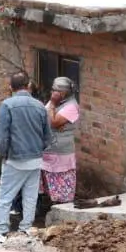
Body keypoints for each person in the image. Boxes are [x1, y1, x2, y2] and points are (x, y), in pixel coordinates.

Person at [0, 72, 51, 245]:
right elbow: (47, 137)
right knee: (30, 195)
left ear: (11, 87)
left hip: (15, 159)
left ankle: (2, 232)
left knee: (5, 197)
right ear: (28, 85)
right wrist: (37, 150)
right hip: (35, 159)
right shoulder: (40, 106)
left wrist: (4, 155)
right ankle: (26, 228)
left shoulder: (7, 105)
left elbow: (2, 136)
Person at [41, 76, 81, 206]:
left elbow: (53, 122)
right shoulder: (58, 104)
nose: (52, 93)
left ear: (63, 93)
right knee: (49, 183)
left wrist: (52, 105)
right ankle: (49, 206)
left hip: (61, 152)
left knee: (61, 183)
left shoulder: (72, 106)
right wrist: (52, 112)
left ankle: (63, 207)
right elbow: (44, 116)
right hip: (49, 149)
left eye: (55, 91)